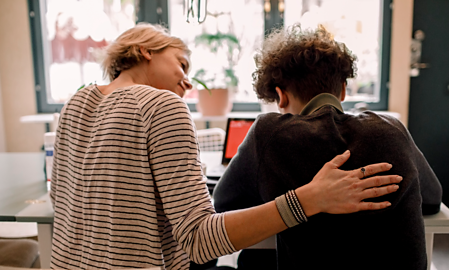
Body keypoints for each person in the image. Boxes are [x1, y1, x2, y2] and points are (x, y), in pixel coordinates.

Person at [50, 23, 403, 270]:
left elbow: (63, 201)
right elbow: (200, 241)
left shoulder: (74, 104)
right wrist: (310, 198)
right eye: (182, 65)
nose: (187, 83)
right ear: (145, 51)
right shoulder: (162, 105)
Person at [213, 24, 443, 270]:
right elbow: (431, 199)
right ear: (343, 90)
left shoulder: (270, 134)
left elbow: (224, 203)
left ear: (281, 97)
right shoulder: (391, 128)